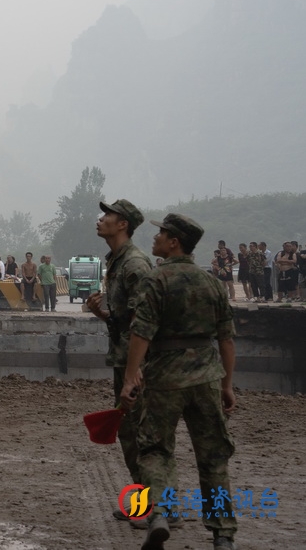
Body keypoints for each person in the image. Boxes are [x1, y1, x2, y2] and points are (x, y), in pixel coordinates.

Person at [120, 213, 237, 550]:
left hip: (165, 378)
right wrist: (227, 385)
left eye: (162, 234)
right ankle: (223, 535)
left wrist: (131, 377)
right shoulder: (212, 282)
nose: (155, 238)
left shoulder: (156, 280)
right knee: (213, 458)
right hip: (207, 378)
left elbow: (141, 332)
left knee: (155, 450)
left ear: (174, 243)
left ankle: (157, 515)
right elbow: (227, 340)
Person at [84, 199, 154, 525]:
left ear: (122, 223)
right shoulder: (116, 261)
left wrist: (134, 370)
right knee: (132, 433)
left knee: (140, 435)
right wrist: (103, 314)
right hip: (126, 359)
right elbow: (125, 319)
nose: (101, 219)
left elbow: (146, 320)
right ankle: (147, 503)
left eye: (107, 215)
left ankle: (154, 508)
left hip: (136, 364)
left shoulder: (135, 266)